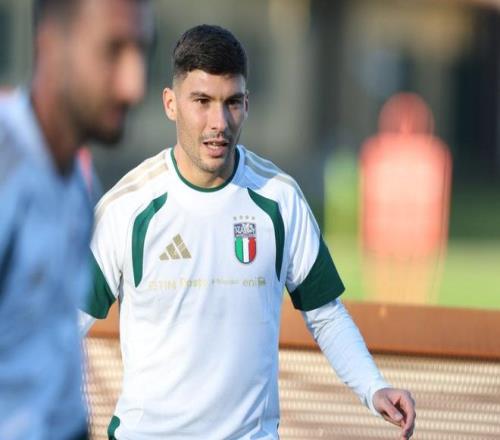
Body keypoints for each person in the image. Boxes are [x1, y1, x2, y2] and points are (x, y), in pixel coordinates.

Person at [80, 24, 416, 439]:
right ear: (170, 103)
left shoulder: (279, 198)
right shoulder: (127, 209)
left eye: (232, 102)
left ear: (247, 103)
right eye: (202, 101)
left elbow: (325, 313)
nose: (218, 122)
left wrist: (373, 386)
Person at [0, 0, 153, 439]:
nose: (134, 85)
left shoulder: (76, 183)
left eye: (142, 51)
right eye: (113, 50)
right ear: (50, 45)